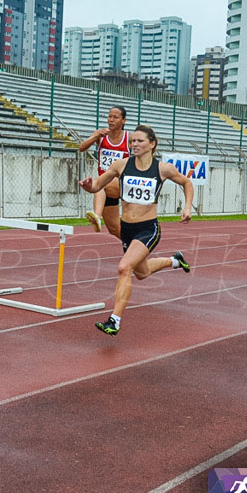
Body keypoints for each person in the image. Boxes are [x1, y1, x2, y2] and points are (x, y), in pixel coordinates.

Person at [79, 124, 194, 336]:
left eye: (139, 141)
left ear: (152, 144)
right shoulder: (121, 165)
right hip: (127, 229)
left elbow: (186, 182)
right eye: (132, 141)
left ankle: (114, 320)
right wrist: (88, 186)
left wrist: (187, 207)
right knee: (142, 272)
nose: (134, 144)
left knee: (124, 268)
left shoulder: (163, 169)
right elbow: (97, 186)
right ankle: (175, 260)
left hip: (148, 229)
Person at [77, 106, 129, 238]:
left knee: (100, 183)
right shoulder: (100, 136)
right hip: (104, 190)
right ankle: (136, 251)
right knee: (115, 230)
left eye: (115, 117)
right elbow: (82, 148)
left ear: (123, 121)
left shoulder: (129, 137)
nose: (111, 120)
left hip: (122, 184)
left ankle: (97, 216)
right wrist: (95, 137)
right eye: (109, 117)